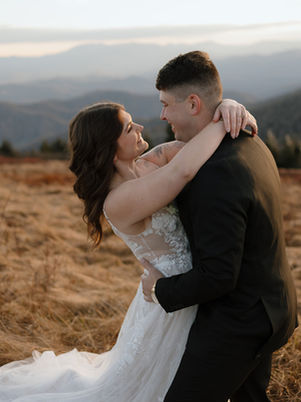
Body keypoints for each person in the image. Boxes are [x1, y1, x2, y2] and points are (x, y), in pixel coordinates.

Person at [0, 93, 256, 399]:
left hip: (196, 285)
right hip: (170, 303)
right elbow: (183, 171)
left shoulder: (149, 163)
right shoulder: (119, 201)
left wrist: (229, 107)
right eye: (128, 128)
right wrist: (224, 119)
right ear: (109, 150)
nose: (141, 129)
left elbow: (195, 148)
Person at [141, 51, 298, 402]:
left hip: (240, 323)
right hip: (273, 306)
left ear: (194, 103)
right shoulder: (248, 139)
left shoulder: (216, 175)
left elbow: (219, 275)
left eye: (167, 104)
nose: (162, 114)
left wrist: (160, 289)